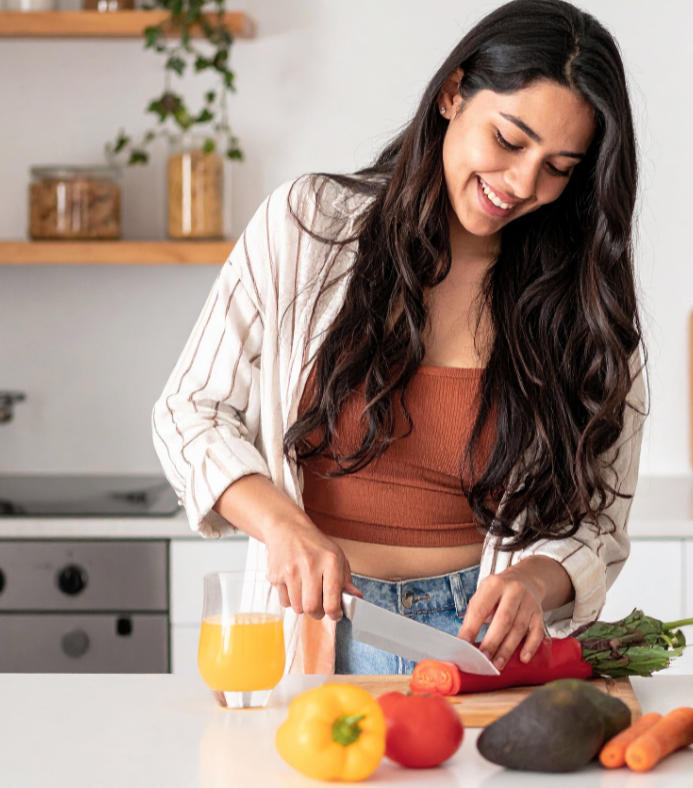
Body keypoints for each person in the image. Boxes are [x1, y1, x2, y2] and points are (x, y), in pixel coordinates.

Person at [152, 0, 647, 676]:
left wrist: (534, 582)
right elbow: (190, 412)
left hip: (478, 649)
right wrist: (283, 527)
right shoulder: (308, 228)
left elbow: (600, 523)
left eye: (559, 167)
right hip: (318, 628)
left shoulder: (584, 301)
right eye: (508, 140)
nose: (525, 183)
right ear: (453, 93)